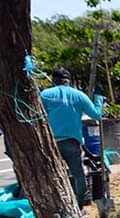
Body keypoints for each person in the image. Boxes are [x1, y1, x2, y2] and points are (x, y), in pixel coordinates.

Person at [40, 67, 103, 207]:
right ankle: (78, 205)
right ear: (68, 81)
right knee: (78, 175)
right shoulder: (79, 95)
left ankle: (53, 203)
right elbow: (96, 115)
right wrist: (98, 98)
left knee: (52, 173)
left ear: (53, 80)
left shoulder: (44, 95)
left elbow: (37, 117)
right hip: (72, 141)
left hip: (51, 141)